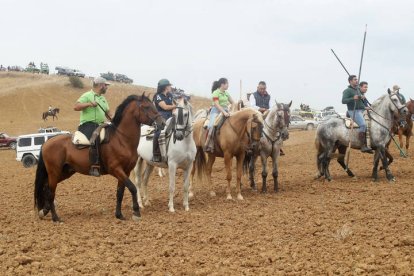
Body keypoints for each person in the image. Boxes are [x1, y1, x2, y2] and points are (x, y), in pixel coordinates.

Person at [74, 76, 112, 176]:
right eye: (105, 85)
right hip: (87, 125)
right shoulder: (87, 95)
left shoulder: (103, 99)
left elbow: (109, 113)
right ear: (100, 86)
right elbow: (76, 107)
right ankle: (95, 165)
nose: (107, 87)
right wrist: (89, 104)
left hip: (101, 125)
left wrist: (115, 120)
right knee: (96, 137)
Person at [342, 75, 373, 153]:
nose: (356, 81)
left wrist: (365, 106)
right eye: (355, 79)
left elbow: (360, 102)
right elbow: (343, 101)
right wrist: (353, 98)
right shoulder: (347, 91)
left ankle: (370, 143)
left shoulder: (358, 90)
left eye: (357, 79)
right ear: (350, 81)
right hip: (353, 111)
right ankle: (362, 146)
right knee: (363, 125)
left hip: (361, 110)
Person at [204, 78, 234, 152]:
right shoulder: (216, 92)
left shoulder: (226, 93)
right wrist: (224, 112)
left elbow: (233, 102)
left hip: (226, 111)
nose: (228, 85)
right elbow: (217, 104)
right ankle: (208, 144)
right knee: (211, 125)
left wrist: (232, 111)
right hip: (216, 111)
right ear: (222, 84)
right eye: (227, 84)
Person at [152, 79, 176, 162]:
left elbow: (173, 106)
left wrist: (174, 112)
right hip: (161, 116)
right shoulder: (158, 96)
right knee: (158, 132)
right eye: (169, 85)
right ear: (165, 87)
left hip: (171, 115)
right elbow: (165, 107)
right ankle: (155, 154)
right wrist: (175, 106)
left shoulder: (170, 95)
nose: (170, 87)